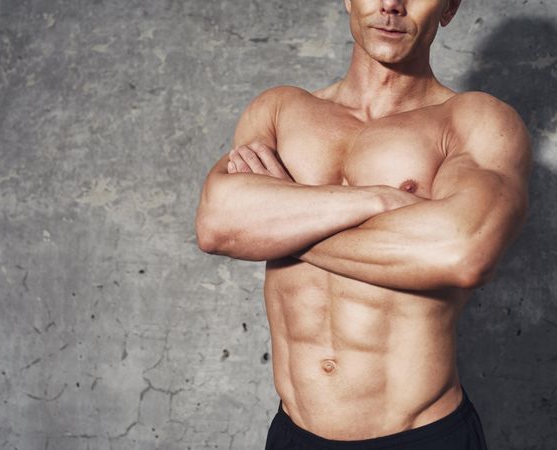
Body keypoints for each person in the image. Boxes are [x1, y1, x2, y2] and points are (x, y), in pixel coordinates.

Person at [195, 0, 532, 449]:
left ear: (448, 8)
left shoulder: (472, 121)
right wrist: (376, 198)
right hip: (294, 433)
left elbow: (463, 253)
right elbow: (218, 224)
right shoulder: (279, 111)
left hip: (421, 436)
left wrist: (283, 225)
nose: (391, 4)